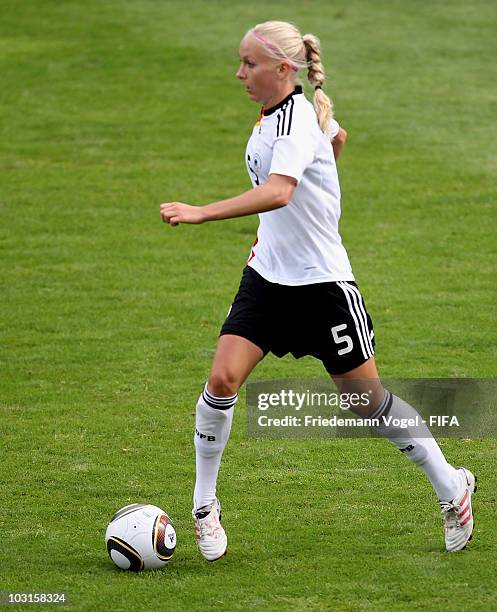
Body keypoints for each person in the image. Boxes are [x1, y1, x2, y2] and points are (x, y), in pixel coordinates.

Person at [160, 20, 476, 560]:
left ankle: (452, 488)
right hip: (266, 280)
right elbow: (324, 161)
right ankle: (204, 506)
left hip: (323, 288)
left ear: (284, 70)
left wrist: (201, 213)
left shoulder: (298, 121)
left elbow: (281, 193)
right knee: (222, 379)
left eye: (249, 64)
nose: (239, 73)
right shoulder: (274, 119)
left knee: (366, 403)